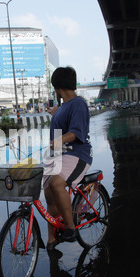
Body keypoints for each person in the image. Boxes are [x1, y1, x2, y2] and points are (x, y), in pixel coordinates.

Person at [43, 66, 93, 254]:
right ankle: (51, 239)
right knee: (49, 195)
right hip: (58, 155)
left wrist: (60, 140)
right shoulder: (63, 107)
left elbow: (77, 132)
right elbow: (61, 125)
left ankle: (70, 229)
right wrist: (56, 114)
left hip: (77, 154)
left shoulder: (78, 103)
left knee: (57, 184)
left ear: (56, 87)